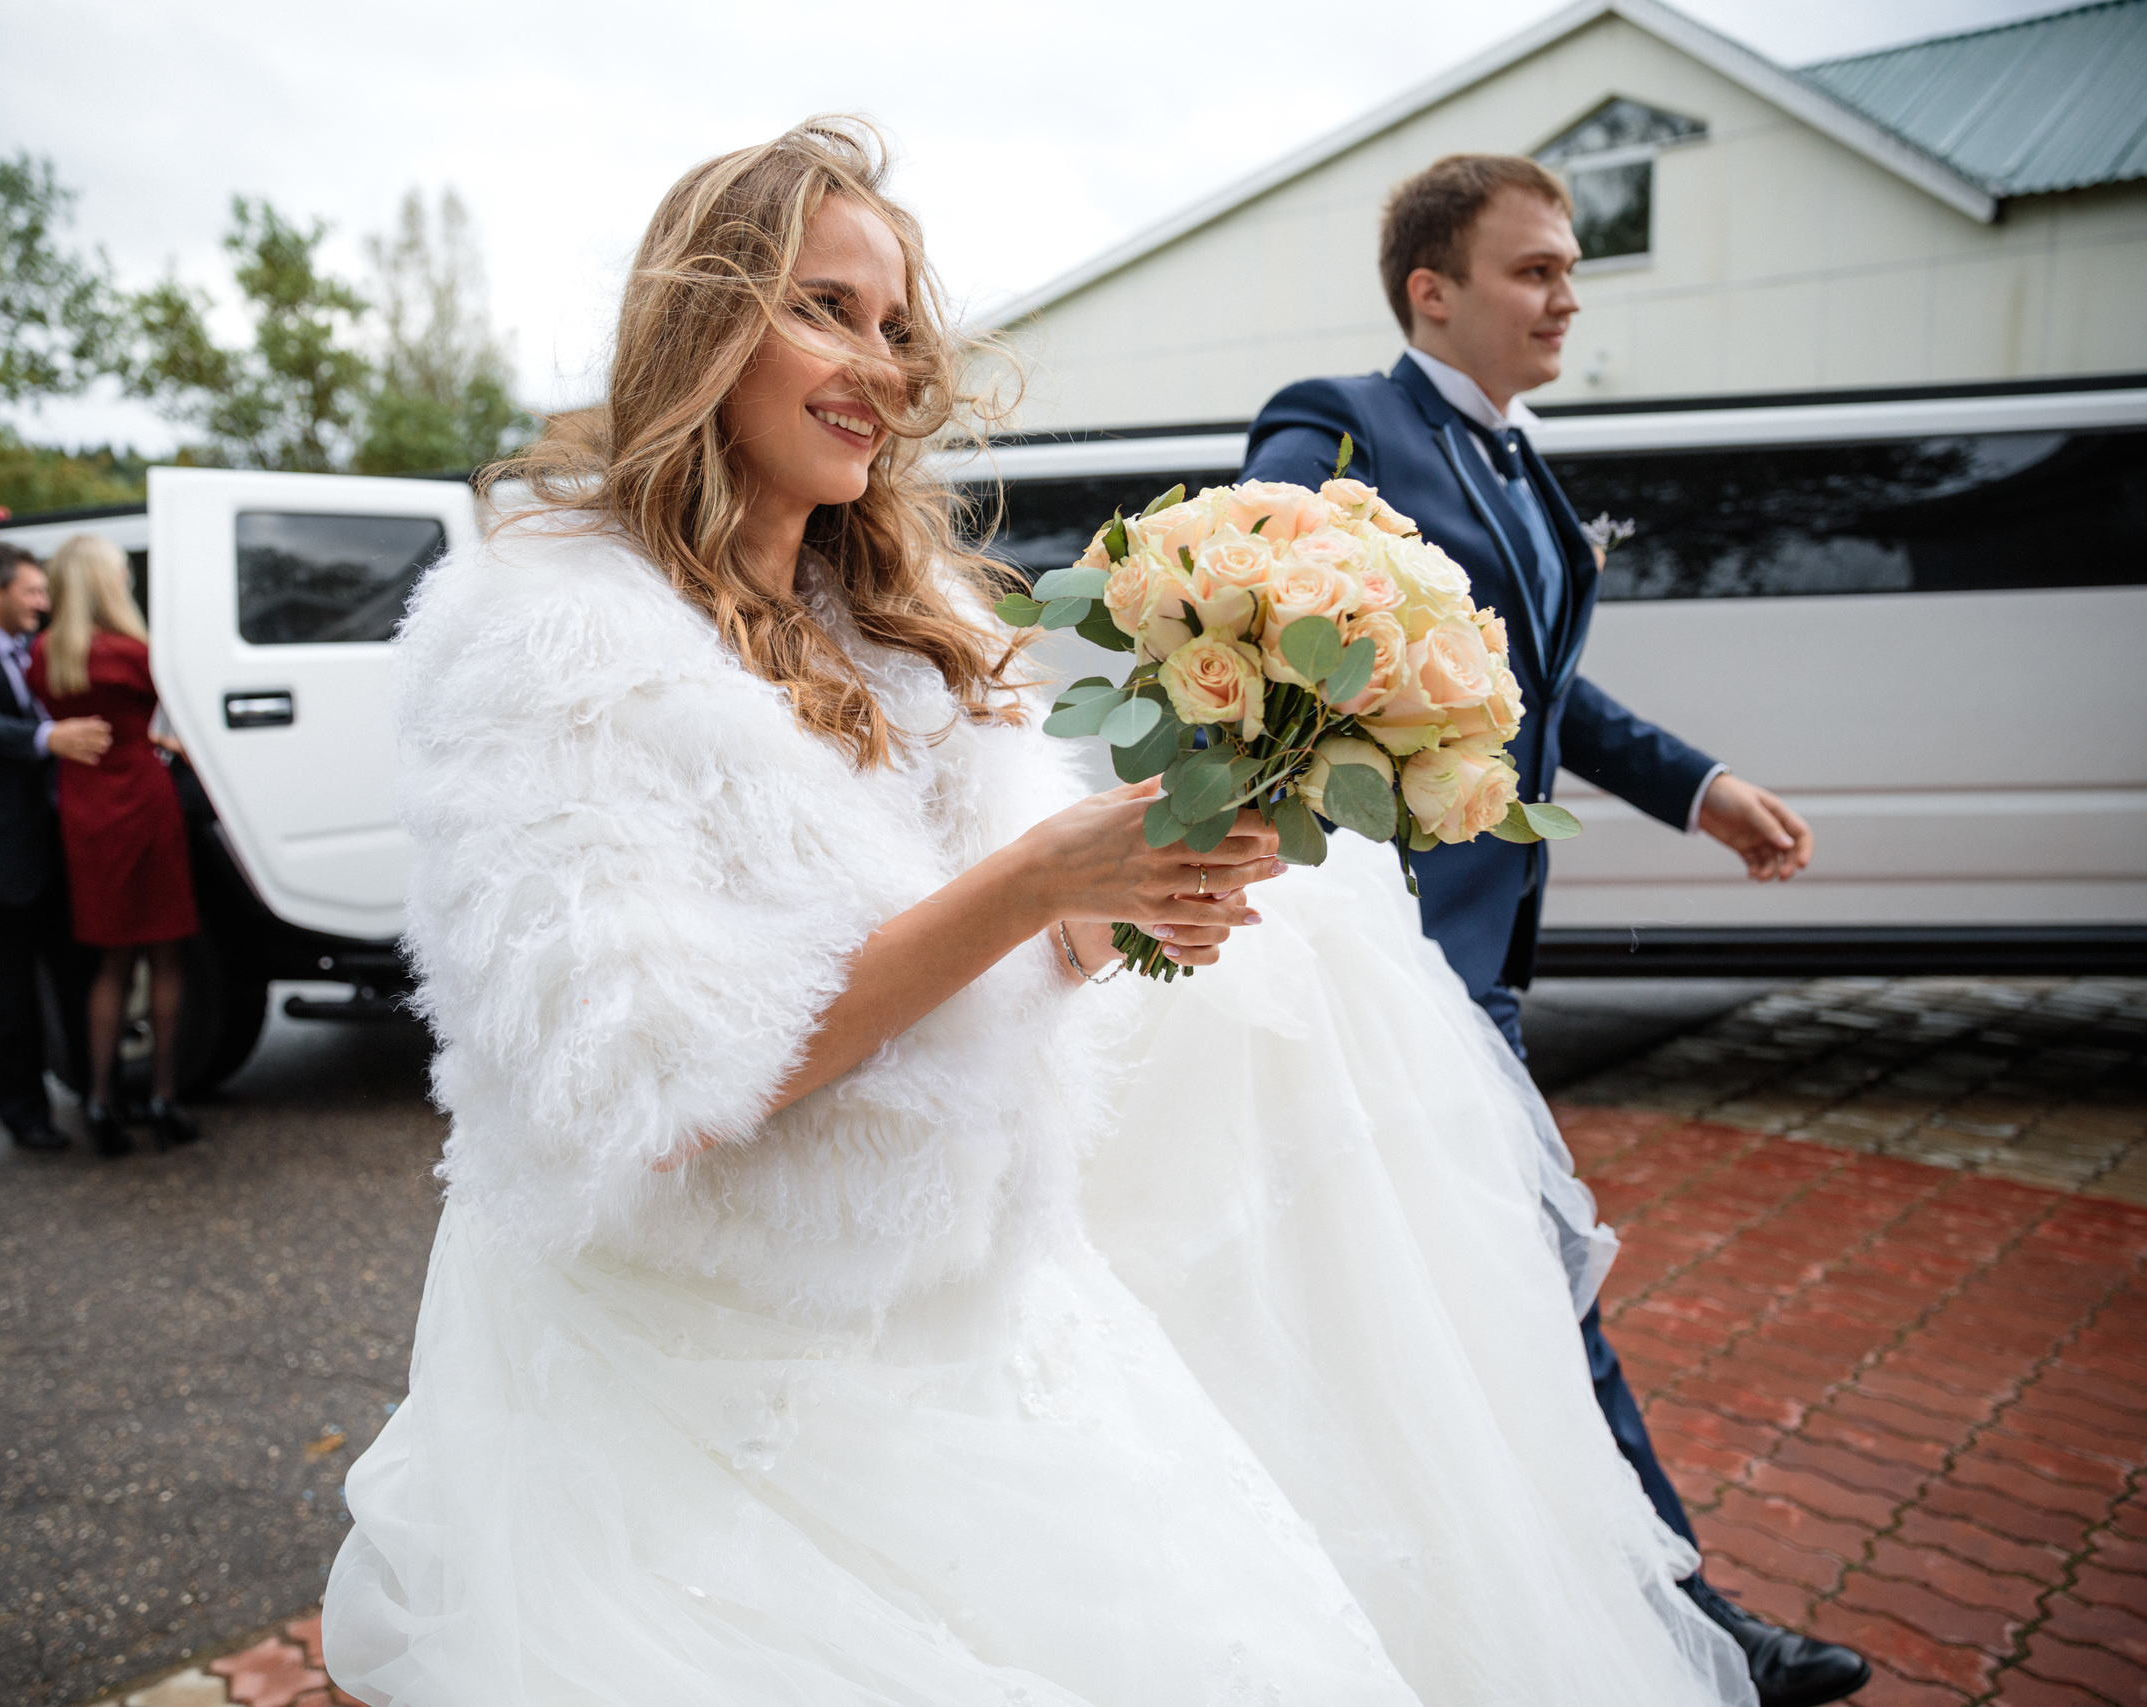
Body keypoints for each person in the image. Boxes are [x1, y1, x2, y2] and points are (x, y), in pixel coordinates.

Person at [325, 119, 1755, 1707]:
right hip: (710, 1373)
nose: (879, 361)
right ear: (702, 321)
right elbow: (649, 1090)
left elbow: (1002, 962)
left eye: (895, 325)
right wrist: (1033, 883)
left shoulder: (901, 633)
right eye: (824, 309)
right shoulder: (551, 644)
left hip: (985, 1312)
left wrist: (1132, 900)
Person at [1238, 154, 1862, 1707]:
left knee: (1480, 1295)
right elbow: (1265, 596)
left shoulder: (1531, 473)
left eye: (1572, 268)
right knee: (1527, 1291)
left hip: (1470, 962)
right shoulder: (1338, 419)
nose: (1567, 294)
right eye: (1533, 270)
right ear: (1430, 291)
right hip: (1368, 949)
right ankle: (1694, 1623)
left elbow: (1536, 690)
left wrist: (1699, 787)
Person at [0, 540, 111, 1152]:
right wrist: (48, 737)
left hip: (54, 852)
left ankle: (97, 1097)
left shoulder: (35, 649)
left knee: (76, 982)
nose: (43, 601)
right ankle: (24, 1115)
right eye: (32, 590)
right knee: (9, 998)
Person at [26, 534, 200, 1156]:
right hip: (144, 799)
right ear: (105, 581)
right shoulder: (133, 651)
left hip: (86, 806)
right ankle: (161, 1098)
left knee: (111, 964)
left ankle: (99, 1101)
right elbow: (163, 715)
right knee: (167, 958)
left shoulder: (47, 654)